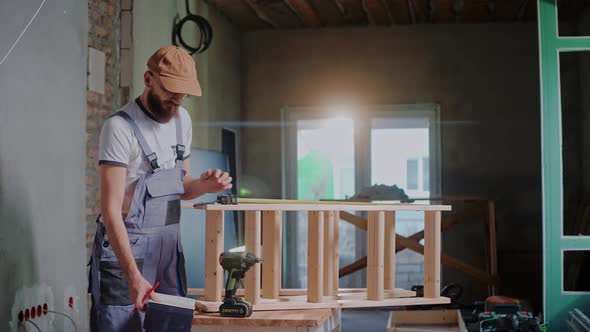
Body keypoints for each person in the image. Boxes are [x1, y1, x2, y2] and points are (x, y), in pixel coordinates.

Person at [89, 46, 232, 331]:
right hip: (126, 252)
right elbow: (111, 210)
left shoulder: (183, 121)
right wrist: (132, 275)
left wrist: (205, 185)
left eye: (184, 94)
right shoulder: (120, 128)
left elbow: (182, 187)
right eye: (171, 91)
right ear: (148, 79)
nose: (177, 100)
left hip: (167, 252)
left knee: (170, 326)